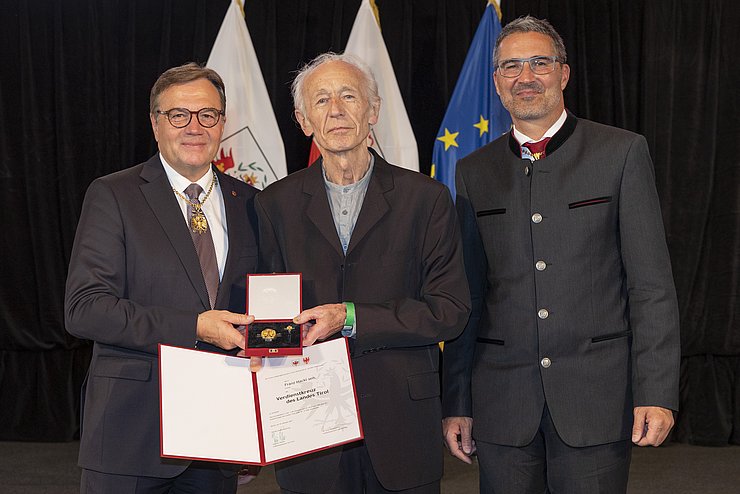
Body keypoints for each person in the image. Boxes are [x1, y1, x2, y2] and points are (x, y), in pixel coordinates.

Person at [442, 15, 680, 493]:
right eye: (511, 67)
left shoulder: (621, 153)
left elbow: (651, 285)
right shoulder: (472, 171)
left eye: (539, 63)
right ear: (496, 82)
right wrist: (458, 400)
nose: (525, 77)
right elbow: (466, 296)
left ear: (564, 73)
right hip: (503, 403)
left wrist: (656, 392)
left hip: (596, 398)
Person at [253, 52, 471, 493]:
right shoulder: (273, 205)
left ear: (372, 110)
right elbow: (266, 319)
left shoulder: (426, 199)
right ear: (303, 120)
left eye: (349, 96)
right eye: (321, 100)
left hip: (403, 424)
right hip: (307, 428)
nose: (336, 110)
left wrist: (350, 317)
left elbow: (449, 311)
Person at [65, 62, 259, 493]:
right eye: (178, 115)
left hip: (217, 439)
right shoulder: (113, 194)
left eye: (207, 114)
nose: (194, 126)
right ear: (155, 124)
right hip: (130, 434)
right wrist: (194, 327)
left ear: (222, 123)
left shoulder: (251, 203)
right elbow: (85, 310)